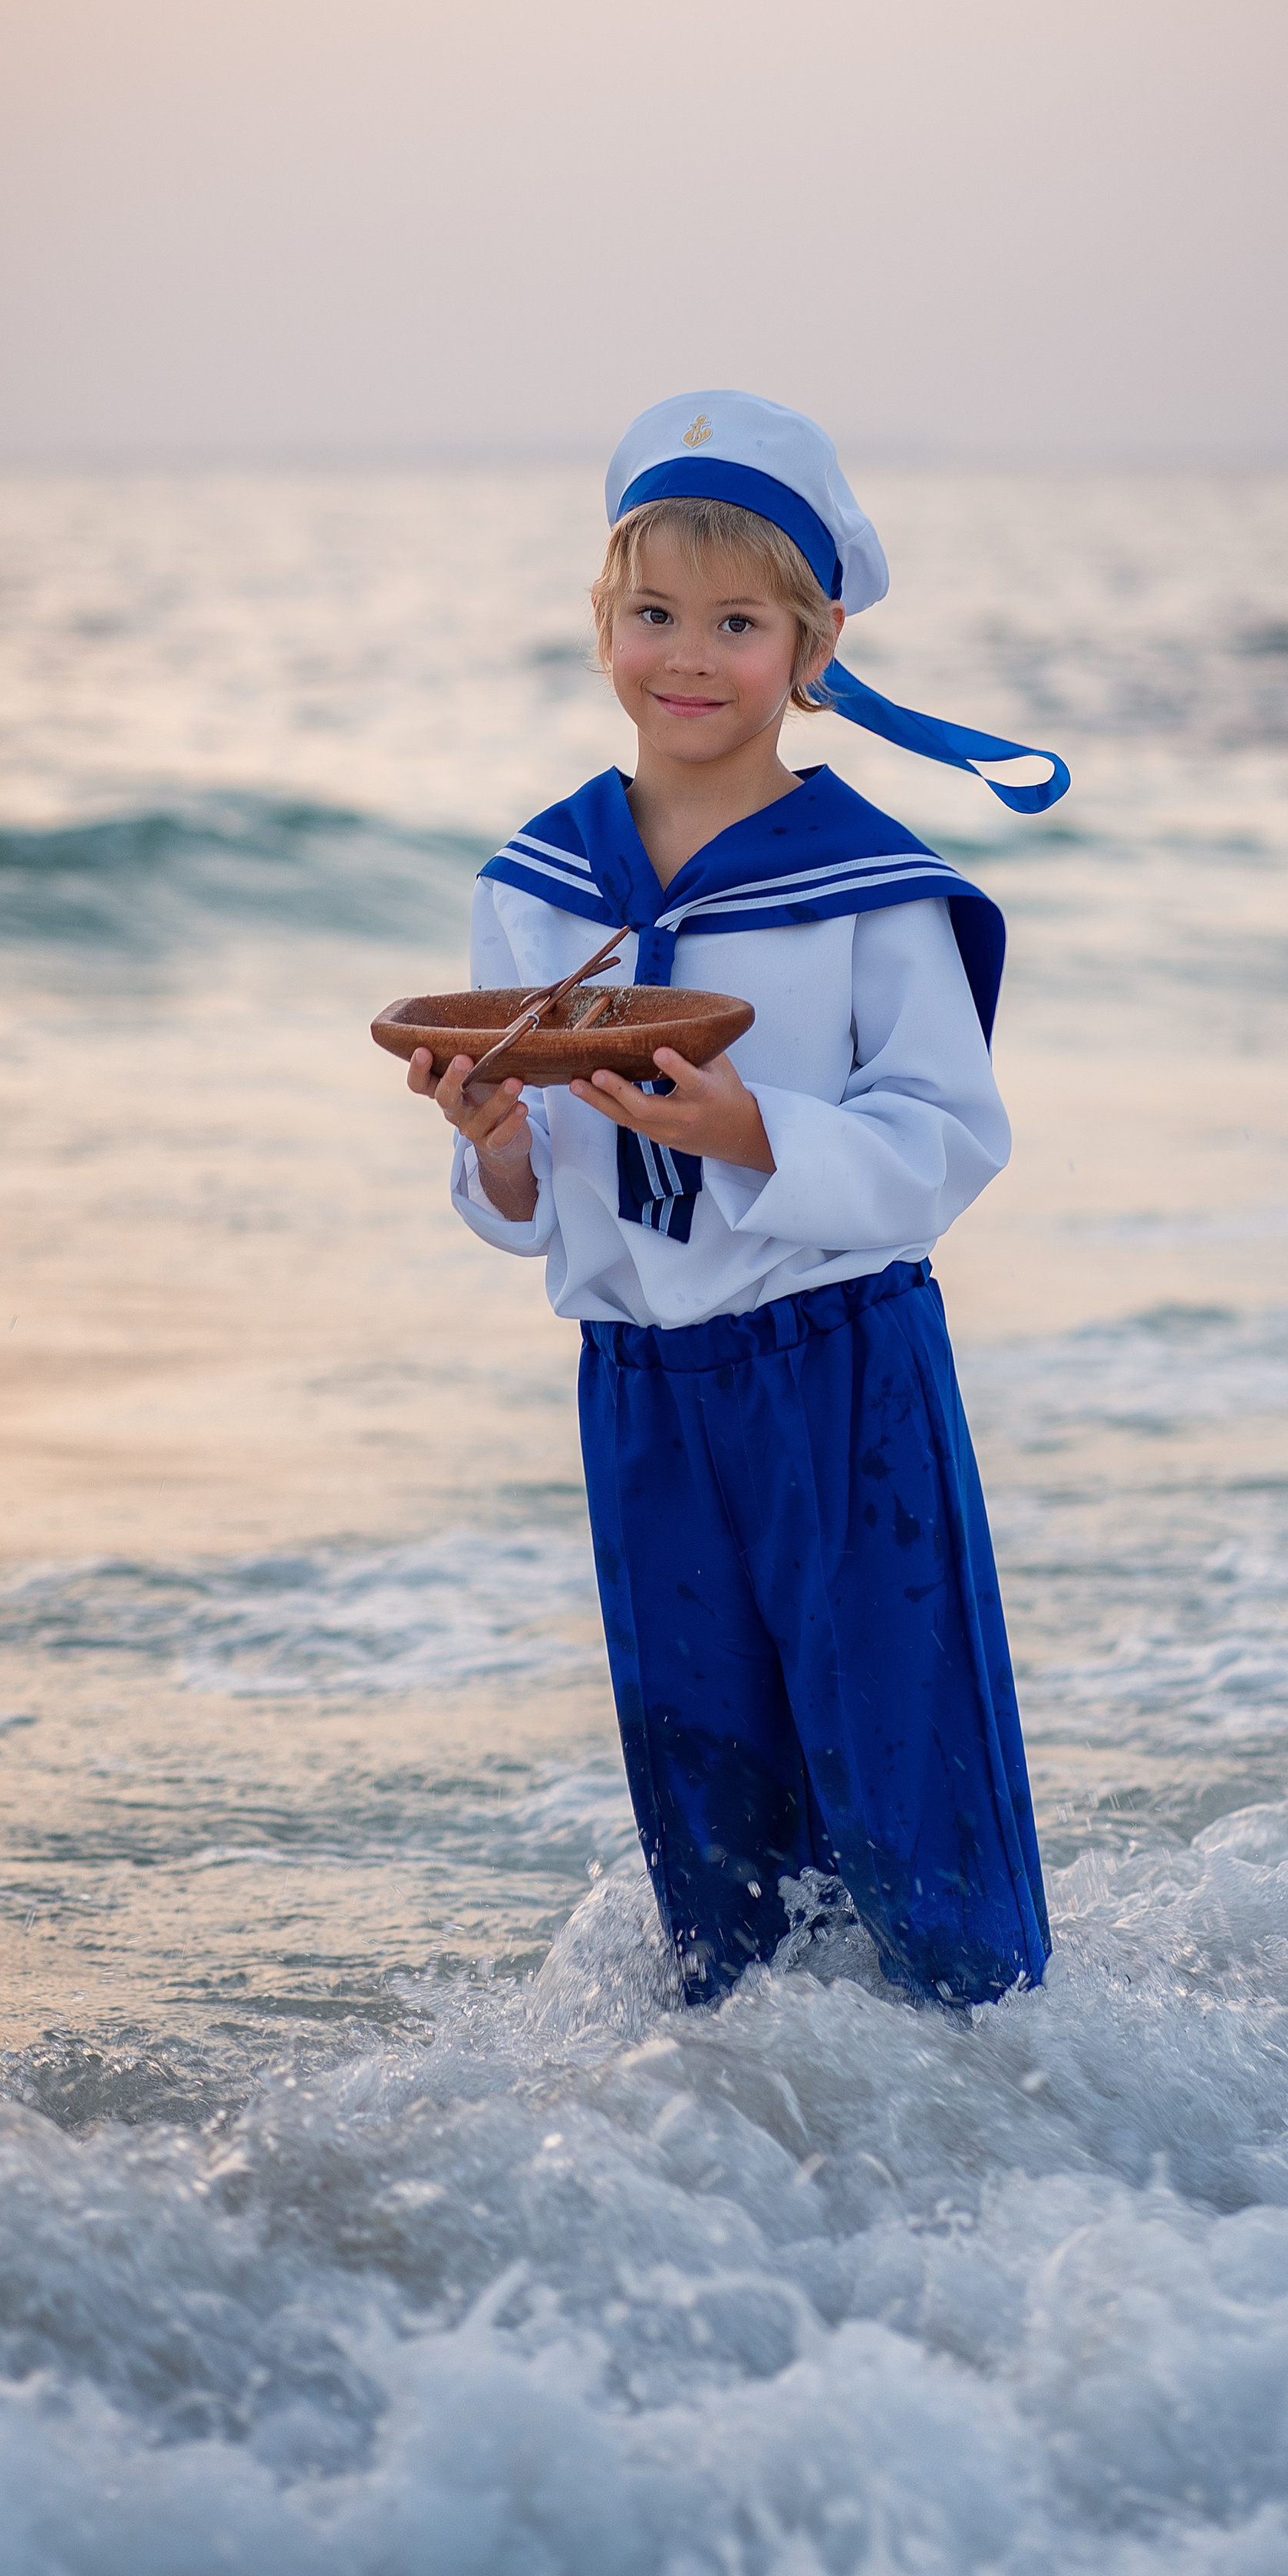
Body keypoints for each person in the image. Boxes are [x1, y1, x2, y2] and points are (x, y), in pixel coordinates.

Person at [404, 391, 1069, 2007]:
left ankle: (1005, 2102)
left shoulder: (868, 884)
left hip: (838, 1369)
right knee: (707, 1800)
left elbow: (946, 1138)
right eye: (651, 614)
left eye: (734, 621)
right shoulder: (535, 883)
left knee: (906, 1761)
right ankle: (755, 2142)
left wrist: (752, 1130)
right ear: (600, 628)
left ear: (810, 648)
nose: (685, 656)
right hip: (641, 1393)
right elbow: (538, 1192)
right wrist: (489, 1132)